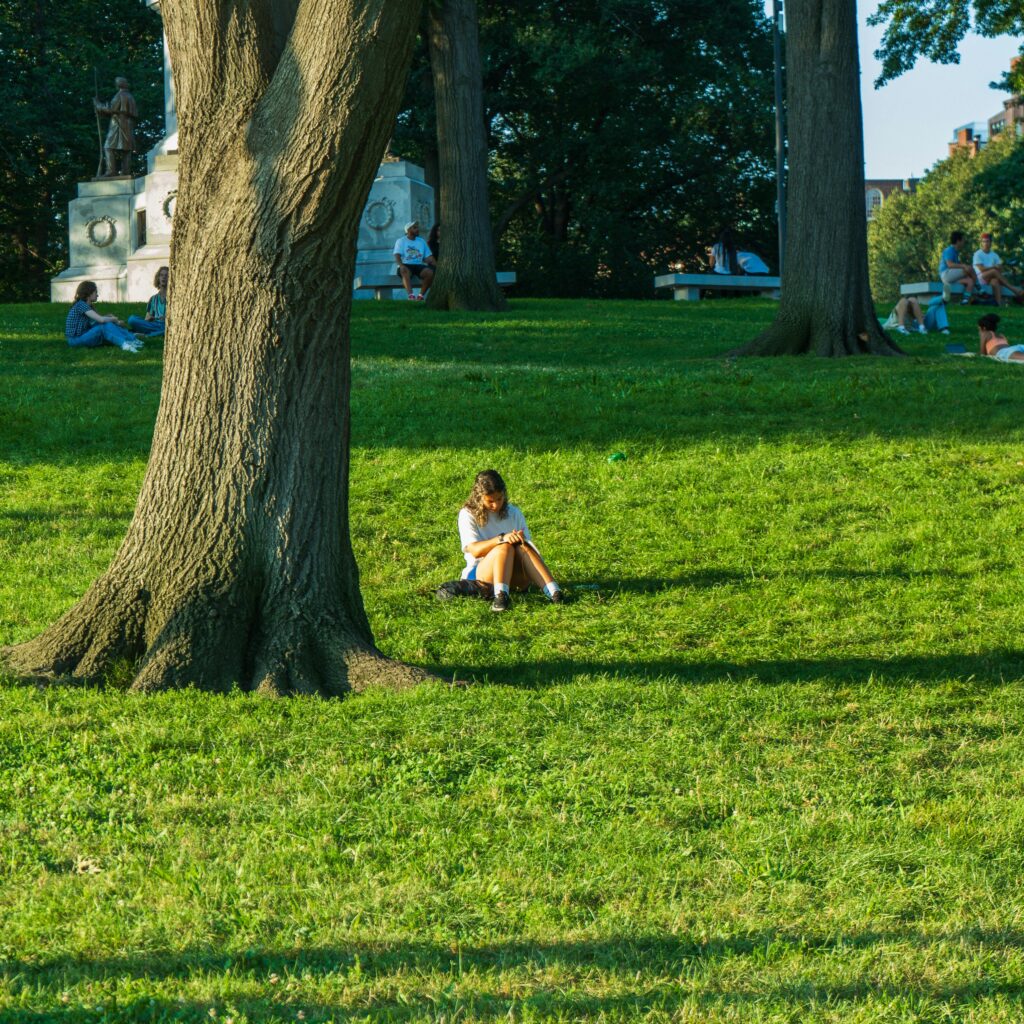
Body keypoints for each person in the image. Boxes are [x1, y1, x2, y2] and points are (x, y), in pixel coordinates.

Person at [452, 469, 562, 613]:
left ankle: (555, 592)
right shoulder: (467, 514)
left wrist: (520, 541)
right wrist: (502, 539)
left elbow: (531, 551)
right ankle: (501, 596)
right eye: (490, 501)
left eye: (499, 499)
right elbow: (474, 550)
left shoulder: (513, 512)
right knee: (504, 547)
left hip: (515, 574)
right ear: (479, 497)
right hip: (482, 575)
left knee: (522, 547)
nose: (496, 505)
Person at [64, 281, 142, 352]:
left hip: (83, 335)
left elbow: (97, 321)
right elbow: (101, 320)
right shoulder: (81, 305)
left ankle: (131, 340)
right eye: (95, 292)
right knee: (103, 326)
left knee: (107, 325)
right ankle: (125, 344)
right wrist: (114, 319)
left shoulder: (87, 306)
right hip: (75, 340)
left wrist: (109, 318)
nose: (97, 295)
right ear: (88, 293)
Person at [94, 77, 137, 178]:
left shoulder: (120, 95)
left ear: (119, 85)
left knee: (108, 147)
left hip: (118, 124)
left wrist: (98, 105)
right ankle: (126, 172)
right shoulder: (129, 96)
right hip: (127, 123)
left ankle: (111, 171)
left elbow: (111, 109)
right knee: (126, 148)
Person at [972, 233, 1023, 306]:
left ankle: (998, 304)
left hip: (991, 278)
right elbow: (981, 269)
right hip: (979, 278)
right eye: (984, 241)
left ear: (991, 242)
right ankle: (1013, 289)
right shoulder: (977, 254)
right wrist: (994, 267)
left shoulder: (995, 255)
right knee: (993, 271)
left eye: (987, 241)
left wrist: (998, 268)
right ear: (981, 243)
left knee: (995, 281)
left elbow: (1000, 269)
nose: (986, 243)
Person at [393, 221, 436, 300]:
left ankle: (420, 296)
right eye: (415, 228)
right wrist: (401, 265)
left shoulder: (421, 241)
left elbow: (428, 257)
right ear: (408, 230)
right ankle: (411, 295)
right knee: (404, 270)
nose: (417, 229)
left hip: (418, 265)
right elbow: (397, 255)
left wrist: (437, 265)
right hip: (406, 265)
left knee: (429, 273)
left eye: (417, 227)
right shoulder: (401, 241)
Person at [127, 266, 168, 337]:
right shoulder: (153, 299)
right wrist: (150, 319)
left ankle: (146, 335)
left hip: (166, 325)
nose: (163, 277)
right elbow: (147, 318)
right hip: (154, 325)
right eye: (161, 275)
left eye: (166, 275)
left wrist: (165, 317)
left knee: (167, 330)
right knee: (132, 319)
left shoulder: (174, 298)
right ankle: (150, 332)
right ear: (158, 278)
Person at [939, 231, 977, 305]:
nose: (964, 242)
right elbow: (950, 265)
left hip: (952, 278)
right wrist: (963, 266)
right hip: (946, 274)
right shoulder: (949, 250)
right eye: (963, 240)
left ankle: (965, 301)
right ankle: (979, 288)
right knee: (968, 268)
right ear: (958, 241)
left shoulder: (956, 252)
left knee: (970, 281)